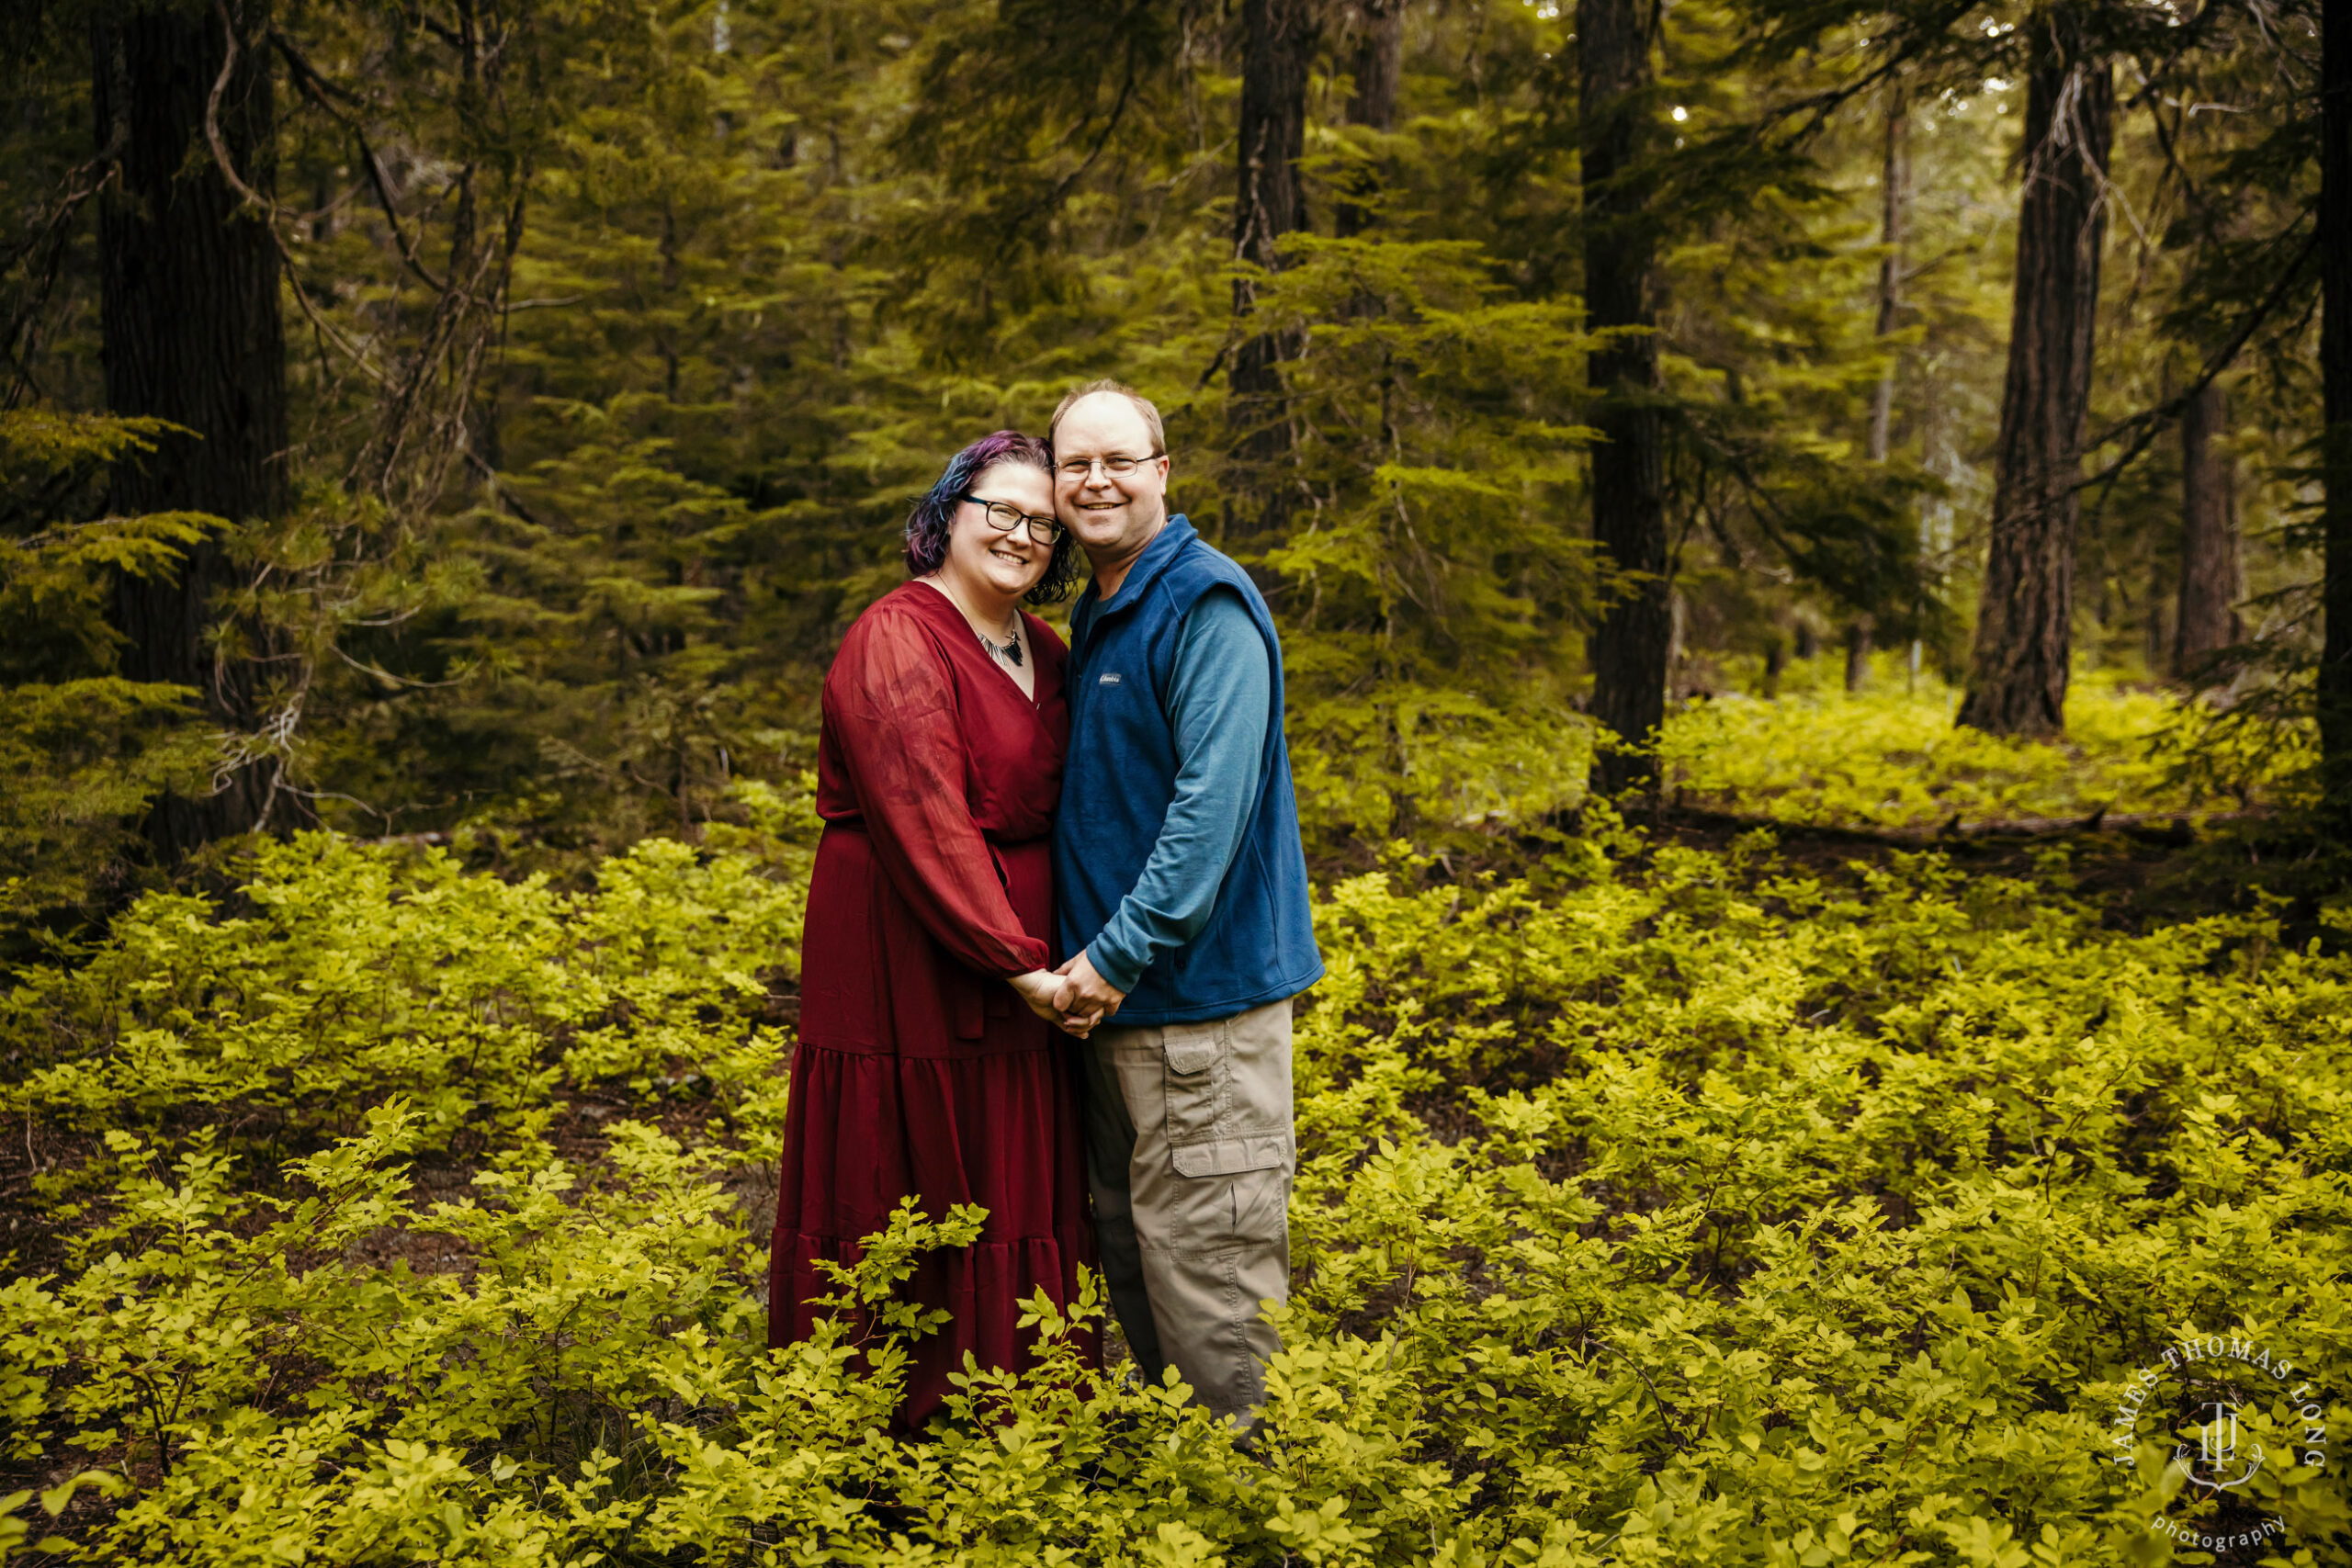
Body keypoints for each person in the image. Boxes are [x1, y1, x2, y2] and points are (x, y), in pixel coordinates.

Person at [768, 431, 1098, 1428]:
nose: (1022, 534)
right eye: (1000, 509)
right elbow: (924, 815)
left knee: (1014, 1177)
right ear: (946, 513)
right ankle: (886, 1439)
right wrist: (1016, 965)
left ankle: (1021, 1425)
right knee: (908, 1174)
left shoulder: (1046, 650)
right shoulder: (896, 636)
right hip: (911, 952)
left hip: (1027, 969)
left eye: (1044, 523)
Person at [1045, 379, 1324, 1427]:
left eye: (1119, 460)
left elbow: (1207, 817)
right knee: (1144, 1278)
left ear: (1162, 471)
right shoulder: (1109, 606)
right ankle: (1190, 1518)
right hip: (1124, 1024)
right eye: (1077, 464)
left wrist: (1111, 958)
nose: (1097, 480)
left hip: (1197, 1023)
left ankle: (1256, 1526)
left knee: (1214, 1298)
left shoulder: (1203, 604)